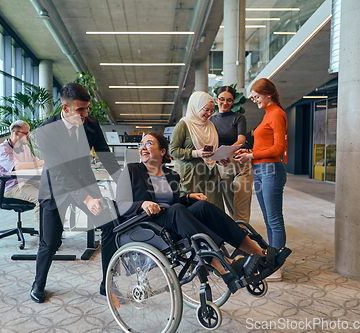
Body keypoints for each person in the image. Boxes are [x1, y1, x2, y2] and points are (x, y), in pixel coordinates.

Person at [117, 131, 291, 291]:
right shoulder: (132, 170)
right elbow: (121, 204)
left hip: (172, 222)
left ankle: (259, 252)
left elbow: (175, 203)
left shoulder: (171, 175)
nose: (143, 147)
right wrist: (142, 204)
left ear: (162, 151)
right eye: (141, 144)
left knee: (202, 206)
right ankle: (225, 266)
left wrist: (189, 197)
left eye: (148, 143)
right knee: (178, 210)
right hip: (147, 225)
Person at [32, 82, 122, 303]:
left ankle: (107, 283)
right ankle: (38, 285)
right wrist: (87, 198)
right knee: (50, 242)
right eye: (80, 109)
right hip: (56, 190)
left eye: (87, 108)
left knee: (109, 225)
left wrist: (124, 182)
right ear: (65, 108)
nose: (86, 114)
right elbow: (60, 172)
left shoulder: (91, 124)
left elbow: (105, 155)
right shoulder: (46, 131)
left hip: (85, 183)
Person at [234, 78, 288, 282]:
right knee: (268, 218)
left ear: (268, 93)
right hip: (261, 168)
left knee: (274, 219)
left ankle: (277, 265)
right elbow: (266, 147)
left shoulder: (277, 114)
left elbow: (278, 149)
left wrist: (251, 156)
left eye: (256, 96)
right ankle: (272, 259)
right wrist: (249, 151)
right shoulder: (268, 114)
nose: (254, 100)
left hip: (271, 169)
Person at [169, 91, 223, 210]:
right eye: (206, 110)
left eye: (212, 110)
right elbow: (172, 150)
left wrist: (220, 157)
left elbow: (211, 150)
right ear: (196, 106)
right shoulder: (184, 125)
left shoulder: (210, 126)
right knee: (192, 210)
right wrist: (195, 153)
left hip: (210, 174)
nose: (209, 113)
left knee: (214, 210)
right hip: (190, 177)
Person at [210, 86, 254, 223]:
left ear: (233, 101)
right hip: (223, 167)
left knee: (241, 209)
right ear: (216, 100)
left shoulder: (239, 118)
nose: (225, 103)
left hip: (241, 166)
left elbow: (241, 140)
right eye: (222, 99)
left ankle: (243, 240)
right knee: (232, 208)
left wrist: (227, 152)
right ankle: (240, 236)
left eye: (229, 100)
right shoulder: (210, 120)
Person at [0, 120, 44, 222]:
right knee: (41, 199)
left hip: (28, 183)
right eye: (26, 134)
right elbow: (18, 167)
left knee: (53, 193)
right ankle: (45, 236)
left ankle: (56, 230)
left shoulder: (24, 147)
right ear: (16, 133)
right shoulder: (3, 149)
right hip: (12, 187)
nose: (28, 136)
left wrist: (45, 162)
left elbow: (35, 161)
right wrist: (40, 163)